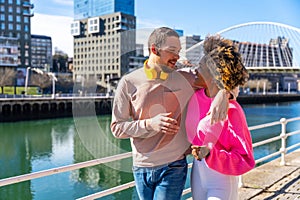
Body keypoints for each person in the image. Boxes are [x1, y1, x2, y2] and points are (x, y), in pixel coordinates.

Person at [110, 27, 233, 200]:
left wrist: (224, 93)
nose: (177, 56)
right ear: (154, 49)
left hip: (173, 166)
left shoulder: (187, 78)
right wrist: (150, 124)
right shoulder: (128, 82)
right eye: (172, 51)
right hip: (140, 166)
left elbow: (229, 80)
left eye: (179, 51)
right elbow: (117, 128)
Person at [185, 35, 255, 200]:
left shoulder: (232, 109)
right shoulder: (195, 97)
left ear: (213, 73)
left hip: (222, 179)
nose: (195, 70)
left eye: (200, 67)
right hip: (198, 173)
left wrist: (211, 154)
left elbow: (245, 158)